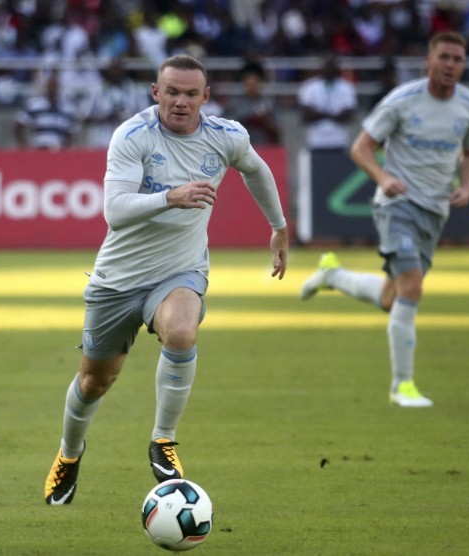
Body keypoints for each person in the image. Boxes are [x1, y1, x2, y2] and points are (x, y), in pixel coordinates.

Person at [44, 54, 289, 505]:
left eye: (190, 94)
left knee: (181, 332)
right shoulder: (133, 135)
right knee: (95, 380)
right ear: (155, 92)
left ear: (205, 97)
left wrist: (277, 227)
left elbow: (256, 169)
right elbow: (114, 211)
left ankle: (163, 440)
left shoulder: (225, 137)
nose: (180, 102)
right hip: (118, 279)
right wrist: (169, 198)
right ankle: (70, 453)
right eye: (171, 92)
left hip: (180, 270)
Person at [300, 31, 469, 408]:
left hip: (435, 210)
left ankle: (332, 275)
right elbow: (361, 147)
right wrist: (384, 178)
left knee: (392, 297)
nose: (451, 65)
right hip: (395, 205)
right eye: (444, 57)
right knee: (412, 287)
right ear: (428, 62)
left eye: (458, 59)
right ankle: (403, 386)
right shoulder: (402, 101)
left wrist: (466, 185)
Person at [297, 55, 358, 151]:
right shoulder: (309, 87)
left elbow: (348, 115)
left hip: (339, 140)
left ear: (337, 69)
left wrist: (321, 114)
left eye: (332, 67)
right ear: (322, 68)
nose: (329, 70)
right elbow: (306, 116)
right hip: (316, 141)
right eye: (327, 66)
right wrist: (333, 115)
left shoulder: (347, 88)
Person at [14, 70, 77, 150]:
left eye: (54, 87)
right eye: (50, 87)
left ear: (59, 88)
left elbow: (70, 134)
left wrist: (66, 148)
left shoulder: (66, 109)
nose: (52, 90)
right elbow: (18, 125)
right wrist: (23, 145)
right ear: (46, 88)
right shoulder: (36, 105)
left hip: (58, 150)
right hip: (40, 148)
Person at [224, 61, 281, 145]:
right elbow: (226, 129)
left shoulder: (269, 103)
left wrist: (265, 121)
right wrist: (249, 119)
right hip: (240, 147)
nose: (252, 86)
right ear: (244, 84)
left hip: (264, 147)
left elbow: (278, 130)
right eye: (249, 83)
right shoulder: (234, 104)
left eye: (255, 82)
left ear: (260, 84)